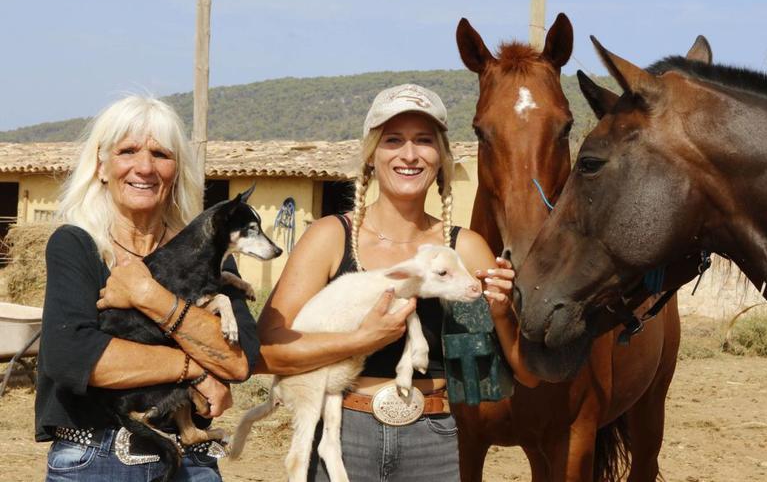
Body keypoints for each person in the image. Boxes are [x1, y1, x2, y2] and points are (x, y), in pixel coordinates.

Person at [256, 83, 538, 481]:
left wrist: (503, 314)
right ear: (372, 155)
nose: (409, 155)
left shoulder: (466, 248)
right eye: (393, 140)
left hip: (435, 439)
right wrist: (361, 340)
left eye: (424, 141)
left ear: (440, 157)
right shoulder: (330, 237)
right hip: (342, 434)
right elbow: (265, 352)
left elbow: (526, 373)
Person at [34, 95, 261, 481]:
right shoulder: (77, 244)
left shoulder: (211, 255)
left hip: (192, 461)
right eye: (128, 151)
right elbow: (73, 356)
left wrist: (150, 296)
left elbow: (239, 360)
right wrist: (195, 370)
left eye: (160, 153)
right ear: (101, 166)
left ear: (178, 170)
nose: (144, 167)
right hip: (94, 458)